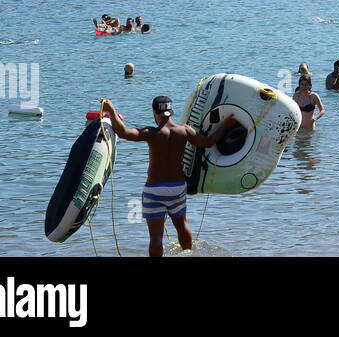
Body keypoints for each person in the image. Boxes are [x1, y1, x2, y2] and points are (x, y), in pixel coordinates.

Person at [101, 96, 238, 257]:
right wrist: (225, 124)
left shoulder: (151, 133)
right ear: (170, 112)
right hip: (177, 188)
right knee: (182, 225)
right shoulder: (184, 130)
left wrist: (111, 110)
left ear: (155, 113)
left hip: (155, 190)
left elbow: (124, 132)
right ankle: (188, 254)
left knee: (156, 237)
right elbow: (207, 142)